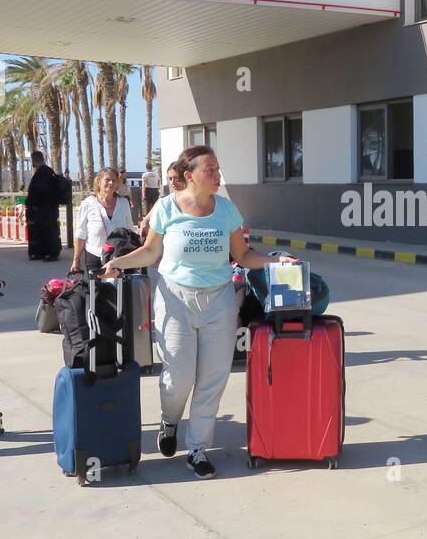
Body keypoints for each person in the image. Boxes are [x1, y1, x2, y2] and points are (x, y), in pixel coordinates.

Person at [102, 145, 297, 480]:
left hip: (219, 300)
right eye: (211, 170)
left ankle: (197, 449)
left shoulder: (226, 210)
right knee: (178, 377)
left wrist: (274, 261)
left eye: (218, 169)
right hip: (175, 300)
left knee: (212, 378)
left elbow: (243, 256)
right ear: (189, 175)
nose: (218, 175)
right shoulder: (166, 208)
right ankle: (169, 419)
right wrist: (117, 263)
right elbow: (150, 253)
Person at [71, 168, 135, 275]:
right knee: (98, 291)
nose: (111, 183)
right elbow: (81, 234)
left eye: (114, 180)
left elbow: (130, 229)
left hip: (119, 258)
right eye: (107, 180)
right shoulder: (87, 203)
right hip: (94, 255)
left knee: (120, 291)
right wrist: (76, 260)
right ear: (99, 182)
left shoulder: (123, 203)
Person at [24, 150, 61, 261]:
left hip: (44, 209)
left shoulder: (42, 173)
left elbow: (40, 192)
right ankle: (43, 252)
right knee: (45, 230)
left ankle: (51, 253)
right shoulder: (47, 171)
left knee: (48, 231)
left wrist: (33, 203)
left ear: (34, 161)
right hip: (48, 208)